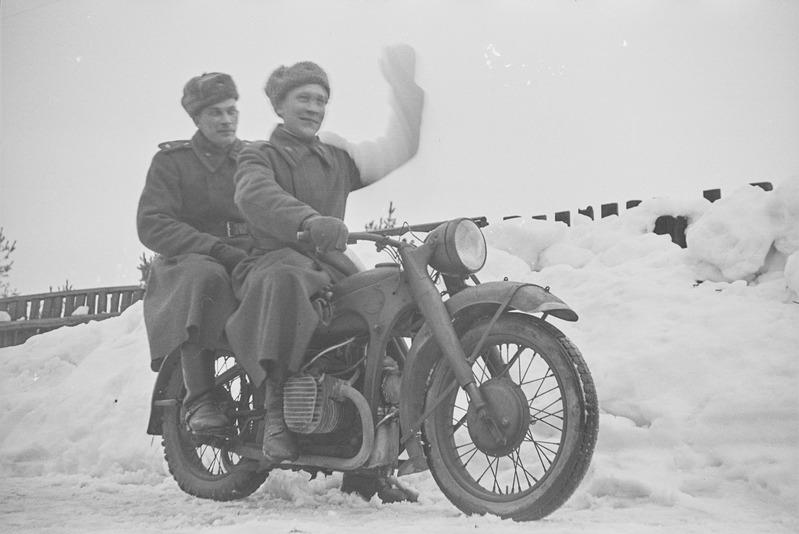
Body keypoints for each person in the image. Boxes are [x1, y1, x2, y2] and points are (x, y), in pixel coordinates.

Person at [225, 45, 424, 473]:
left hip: (328, 267)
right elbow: (255, 194)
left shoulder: (336, 158)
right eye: (303, 98)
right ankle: (276, 410)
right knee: (287, 281)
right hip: (271, 263)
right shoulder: (258, 155)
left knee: (383, 296)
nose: (314, 108)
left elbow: (396, 149)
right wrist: (309, 221)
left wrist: (405, 89)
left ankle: (378, 443)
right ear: (279, 105)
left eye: (320, 100)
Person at [137, 72, 250, 436]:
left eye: (231, 110)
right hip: (190, 260)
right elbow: (153, 224)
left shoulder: (255, 158)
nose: (227, 120)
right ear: (197, 118)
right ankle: (200, 399)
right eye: (215, 112)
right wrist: (214, 248)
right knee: (208, 278)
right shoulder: (172, 162)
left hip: (249, 253)